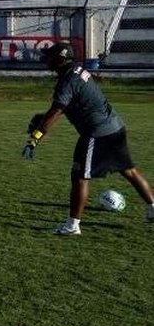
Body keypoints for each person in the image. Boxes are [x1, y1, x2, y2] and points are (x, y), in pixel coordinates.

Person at [24, 41, 154, 235]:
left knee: (80, 177)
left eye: (50, 56)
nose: (46, 59)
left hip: (98, 132)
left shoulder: (67, 80)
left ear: (60, 59)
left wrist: (35, 138)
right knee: (129, 171)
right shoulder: (76, 70)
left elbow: (56, 112)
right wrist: (44, 120)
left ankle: (72, 225)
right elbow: (67, 106)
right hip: (115, 126)